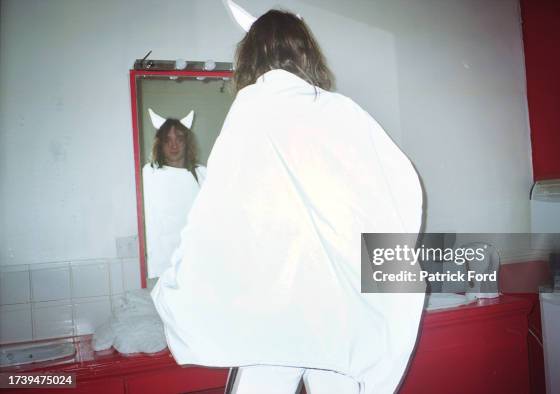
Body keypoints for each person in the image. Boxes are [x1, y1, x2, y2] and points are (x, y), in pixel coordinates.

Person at [151, 4, 425, 394]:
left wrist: (182, 277)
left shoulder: (249, 111)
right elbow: (400, 190)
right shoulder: (343, 111)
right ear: (306, 52)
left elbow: (217, 213)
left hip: (271, 312)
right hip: (337, 312)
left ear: (250, 56)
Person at [142, 109, 206, 280]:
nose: (174, 145)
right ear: (160, 144)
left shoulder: (202, 175)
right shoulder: (148, 174)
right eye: (167, 140)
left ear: (187, 142)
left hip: (194, 265)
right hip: (160, 268)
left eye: (179, 138)